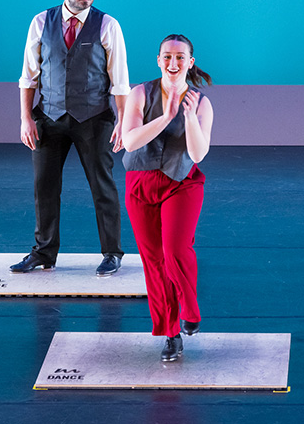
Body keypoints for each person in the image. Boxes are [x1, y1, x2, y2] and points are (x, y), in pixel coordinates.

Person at [12, 0, 128, 276]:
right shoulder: (41, 22)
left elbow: (119, 81)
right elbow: (28, 77)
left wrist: (122, 121)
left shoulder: (108, 25)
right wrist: (25, 118)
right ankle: (43, 252)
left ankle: (112, 252)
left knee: (103, 187)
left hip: (94, 117)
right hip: (48, 117)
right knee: (44, 187)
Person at [121, 34, 214, 362]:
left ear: (190, 62)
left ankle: (190, 310)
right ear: (159, 60)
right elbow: (130, 142)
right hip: (141, 184)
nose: (173, 63)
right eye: (167, 57)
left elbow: (198, 153)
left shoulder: (201, 103)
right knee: (153, 261)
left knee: (175, 249)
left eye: (180, 57)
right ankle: (170, 333)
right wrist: (165, 116)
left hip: (181, 183)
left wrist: (187, 117)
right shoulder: (140, 93)